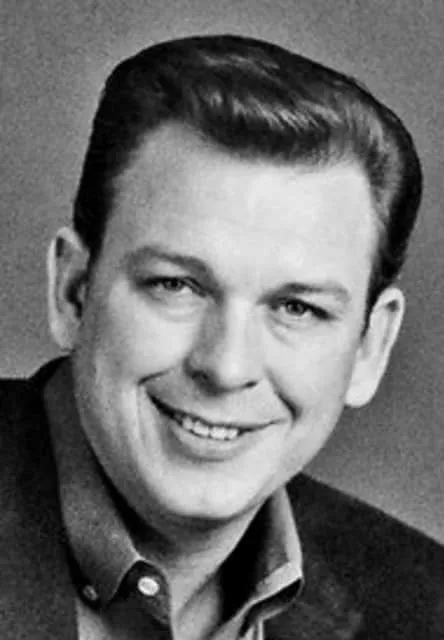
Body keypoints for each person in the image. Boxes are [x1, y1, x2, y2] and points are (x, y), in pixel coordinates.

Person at [1, 34, 443, 640]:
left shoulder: (423, 610)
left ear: (370, 347)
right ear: (73, 291)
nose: (227, 366)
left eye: (297, 308)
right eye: (177, 285)